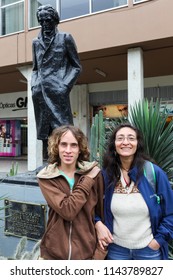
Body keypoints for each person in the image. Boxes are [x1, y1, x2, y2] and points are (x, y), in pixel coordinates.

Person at [96, 123, 173, 260]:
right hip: (116, 251)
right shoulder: (106, 176)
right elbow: (92, 208)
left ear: (138, 143)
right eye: (120, 138)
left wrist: (157, 241)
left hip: (148, 251)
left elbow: (170, 212)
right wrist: (97, 223)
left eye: (131, 138)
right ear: (114, 144)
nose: (125, 142)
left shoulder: (153, 173)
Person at [36, 125, 107, 260]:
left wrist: (98, 255)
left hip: (87, 254)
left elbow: (101, 213)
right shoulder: (47, 177)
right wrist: (87, 180)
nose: (68, 150)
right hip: (54, 255)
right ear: (56, 147)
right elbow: (67, 210)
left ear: (80, 149)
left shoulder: (95, 173)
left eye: (73, 145)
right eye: (64, 144)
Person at [31, 5, 81, 156]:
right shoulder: (35, 42)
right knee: (44, 130)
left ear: (55, 20)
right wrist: (34, 85)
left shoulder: (65, 38)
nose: (45, 23)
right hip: (40, 92)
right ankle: (47, 163)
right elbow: (35, 69)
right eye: (42, 21)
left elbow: (76, 67)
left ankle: (65, 161)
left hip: (58, 91)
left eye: (48, 20)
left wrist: (64, 86)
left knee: (63, 129)